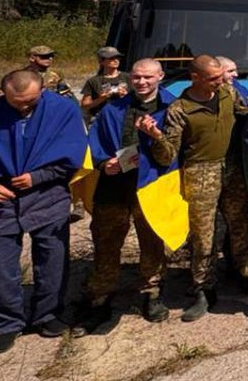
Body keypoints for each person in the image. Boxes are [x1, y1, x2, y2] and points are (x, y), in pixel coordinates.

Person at [0, 70, 86, 354]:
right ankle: (6, 324)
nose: (24, 107)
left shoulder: (63, 110)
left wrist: (38, 176)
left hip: (47, 195)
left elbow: (74, 154)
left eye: (31, 101)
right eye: (16, 102)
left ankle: (47, 315)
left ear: (43, 91)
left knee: (52, 260)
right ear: (3, 93)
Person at [146, 54, 248, 323]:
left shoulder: (229, 94)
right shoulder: (180, 109)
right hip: (200, 174)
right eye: (214, 78)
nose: (221, 81)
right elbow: (167, 155)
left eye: (221, 75)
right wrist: (156, 137)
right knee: (203, 235)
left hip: (233, 170)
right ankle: (204, 288)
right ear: (196, 78)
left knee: (242, 227)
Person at [78, 59, 174, 330]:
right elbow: (95, 140)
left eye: (148, 77)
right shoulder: (113, 108)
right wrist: (101, 162)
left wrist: (156, 137)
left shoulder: (172, 108)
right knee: (106, 240)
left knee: (152, 241)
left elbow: (176, 151)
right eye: (137, 77)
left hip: (151, 185)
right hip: (114, 185)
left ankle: (151, 292)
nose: (142, 82)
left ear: (160, 77)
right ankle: (100, 295)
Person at [79, 46, 129, 123]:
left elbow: (140, 99)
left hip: (123, 118)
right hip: (101, 119)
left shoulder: (128, 77)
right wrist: (101, 99)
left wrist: (126, 96)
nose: (116, 60)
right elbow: (85, 106)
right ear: (101, 61)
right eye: (111, 58)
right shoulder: (94, 81)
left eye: (118, 58)